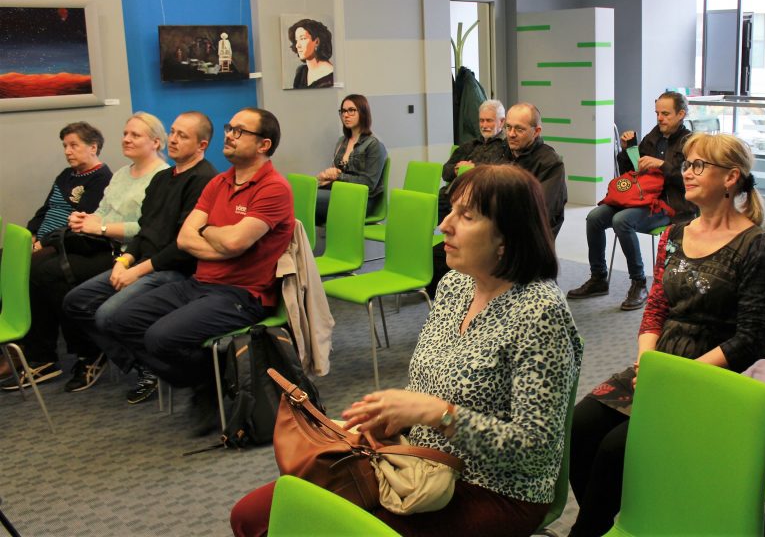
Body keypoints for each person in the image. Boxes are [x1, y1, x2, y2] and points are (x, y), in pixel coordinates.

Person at [230, 164, 583, 537]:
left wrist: (438, 415)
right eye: (451, 210)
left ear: (507, 238)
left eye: (466, 217)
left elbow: (536, 451)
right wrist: (395, 418)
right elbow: (433, 383)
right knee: (251, 516)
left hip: (493, 488)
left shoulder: (540, 312)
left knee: (318, 528)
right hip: (415, 462)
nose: (445, 225)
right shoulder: (455, 285)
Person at [568, 133, 765, 536]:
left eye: (699, 165)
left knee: (616, 450)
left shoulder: (758, 245)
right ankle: (607, 521)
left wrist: (676, 377)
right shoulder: (676, 235)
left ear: (731, 177)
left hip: (713, 374)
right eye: (686, 164)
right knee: (579, 428)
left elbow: (749, 339)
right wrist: (648, 360)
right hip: (662, 363)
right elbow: (656, 309)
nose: (687, 172)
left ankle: (590, 529)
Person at [104, 108, 293, 432]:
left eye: (240, 131)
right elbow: (185, 238)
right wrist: (220, 240)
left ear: (264, 145)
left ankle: (208, 384)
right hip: (199, 283)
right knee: (120, 320)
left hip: (242, 294)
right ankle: (208, 376)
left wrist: (208, 233)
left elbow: (235, 242)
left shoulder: (274, 188)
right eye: (229, 127)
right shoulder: (219, 182)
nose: (229, 135)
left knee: (160, 338)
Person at [1, 113, 168, 390]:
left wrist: (100, 227)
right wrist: (85, 220)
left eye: (135, 135)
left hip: (129, 254)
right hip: (101, 244)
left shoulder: (162, 177)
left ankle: (87, 353)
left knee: (50, 274)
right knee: (36, 270)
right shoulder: (122, 174)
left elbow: (147, 228)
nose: (126, 139)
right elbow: (101, 211)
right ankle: (44, 355)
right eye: (125, 133)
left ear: (156, 142)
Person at [61, 111, 218, 397]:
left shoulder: (204, 180)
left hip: (175, 270)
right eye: (173, 132)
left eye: (182, 136)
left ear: (202, 145)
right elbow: (145, 230)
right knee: (76, 302)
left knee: (108, 316)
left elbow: (181, 247)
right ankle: (143, 365)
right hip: (143, 262)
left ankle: (176, 371)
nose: (173, 139)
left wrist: (136, 270)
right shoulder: (164, 178)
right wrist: (124, 261)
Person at [567, 91, 697, 311]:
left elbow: (690, 180)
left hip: (670, 205)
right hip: (640, 198)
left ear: (681, 114)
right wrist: (627, 150)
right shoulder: (652, 137)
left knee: (622, 220)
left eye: (665, 114)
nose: (660, 118)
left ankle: (639, 282)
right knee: (594, 217)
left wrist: (662, 165)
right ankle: (598, 278)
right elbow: (631, 173)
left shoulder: (691, 143)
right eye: (657, 113)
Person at [26, 122, 113, 253]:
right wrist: (31, 235)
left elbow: (78, 225)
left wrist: (40, 245)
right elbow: (45, 210)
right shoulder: (66, 174)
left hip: (62, 245)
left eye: (73, 145)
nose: (67, 152)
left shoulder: (102, 178)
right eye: (65, 146)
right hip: (40, 241)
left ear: (93, 148)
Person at [314, 94, 388, 224]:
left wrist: (338, 176)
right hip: (341, 192)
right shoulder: (342, 141)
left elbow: (369, 184)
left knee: (309, 199)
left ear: (363, 113)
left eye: (351, 110)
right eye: (343, 111)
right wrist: (324, 178)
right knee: (304, 193)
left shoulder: (374, 144)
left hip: (363, 200)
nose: (346, 115)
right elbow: (336, 173)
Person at [438, 99, 510, 218]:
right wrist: (456, 170)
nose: (484, 125)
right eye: (481, 120)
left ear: (502, 122)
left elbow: (499, 172)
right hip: (450, 196)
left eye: (489, 121)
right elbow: (445, 172)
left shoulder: (507, 146)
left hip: (478, 200)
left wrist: (473, 167)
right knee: (420, 209)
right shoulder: (470, 145)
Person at [504, 102, 567, 236]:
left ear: (536, 132)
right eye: (508, 127)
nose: (511, 134)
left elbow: (541, 211)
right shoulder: (500, 151)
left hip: (531, 236)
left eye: (519, 129)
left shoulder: (550, 163)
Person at [288, 18, 334, 89]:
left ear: (317, 42)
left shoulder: (331, 76)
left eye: (303, 39)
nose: (297, 45)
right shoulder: (301, 72)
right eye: (297, 40)